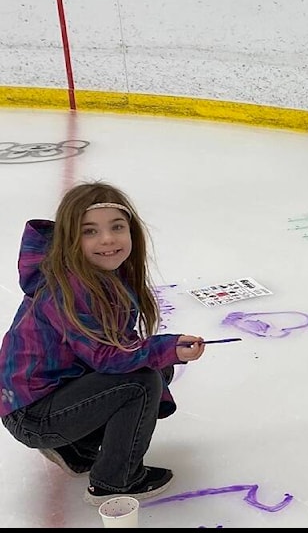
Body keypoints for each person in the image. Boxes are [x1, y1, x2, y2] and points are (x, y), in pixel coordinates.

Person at [0, 181, 208, 506]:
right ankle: (115, 481)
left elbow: (111, 350)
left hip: (46, 398)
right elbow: (105, 357)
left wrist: (163, 352)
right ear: (70, 239)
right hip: (32, 414)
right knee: (141, 381)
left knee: (155, 365)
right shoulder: (67, 289)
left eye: (117, 227)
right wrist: (164, 349)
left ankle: (75, 449)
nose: (108, 239)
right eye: (90, 231)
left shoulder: (98, 276)